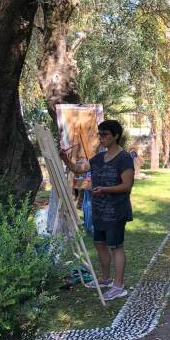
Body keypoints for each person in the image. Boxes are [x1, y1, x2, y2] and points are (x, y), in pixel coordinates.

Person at [60, 119, 134, 301]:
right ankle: (106, 278)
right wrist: (64, 160)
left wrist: (105, 190)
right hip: (99, 210)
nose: (101, 138)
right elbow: (78, 169)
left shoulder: (124, 158)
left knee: (116, 247)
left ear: (116, 136)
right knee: (99, 244)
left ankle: (118, 285)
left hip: (116, 210)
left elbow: (126, 186)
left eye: (105, 134)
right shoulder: (99, 158)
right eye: (99, 134)